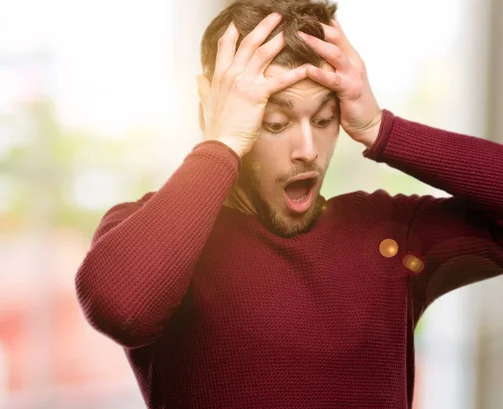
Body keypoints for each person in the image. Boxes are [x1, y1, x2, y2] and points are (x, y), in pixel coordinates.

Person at [75, 0, 503, 408]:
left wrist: (381, 128)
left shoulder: (389, 233)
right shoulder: (160, 236)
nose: (307, 149)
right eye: (274, 122)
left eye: (324, 119)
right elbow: (122, 310)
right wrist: (221, 143)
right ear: (214, 110)